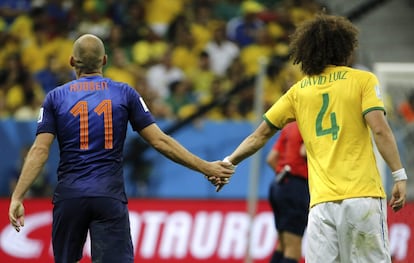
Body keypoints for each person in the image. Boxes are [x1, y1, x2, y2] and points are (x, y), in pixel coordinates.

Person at [8, 34, 234, 263]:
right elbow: (160, 141)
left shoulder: (55, 97)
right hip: (109, 196)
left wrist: (18, 196)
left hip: (69, 197)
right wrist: (205, 167)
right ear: (105, 60)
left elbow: (39, 150)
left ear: (71, 61)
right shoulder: (125, 93)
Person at [218, 14, 407, 263]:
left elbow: (259, 135)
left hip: (321, 205)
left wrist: (229, 162)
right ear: (345, 47)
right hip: (362, 197)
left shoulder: (298, 92)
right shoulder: (363, 80)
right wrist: (399, 175)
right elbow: (380, 130)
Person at [266, 122, 308, 263]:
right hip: (297, 188)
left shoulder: (290, 126)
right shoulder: (311, 124)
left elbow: (271, 158)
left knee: (282, 244)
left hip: (278, 185)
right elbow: (304, 151)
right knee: (293, 248)